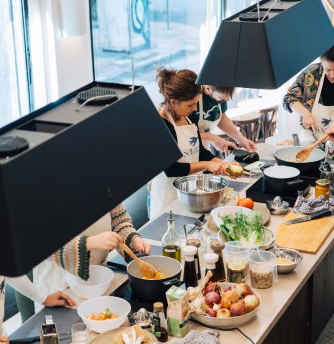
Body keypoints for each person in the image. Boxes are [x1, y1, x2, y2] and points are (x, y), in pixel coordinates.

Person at [8, 203, 150, 322]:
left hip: (98, 283)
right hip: (59, 290)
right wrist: (88, 243)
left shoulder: (104, 175)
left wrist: (132, 240)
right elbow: (38, 244)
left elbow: (119, 220)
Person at [150, 68, 242, 218]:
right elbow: (172, 169)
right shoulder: (162, 124)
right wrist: (207, 165)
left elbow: (200, 151)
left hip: (190, 194)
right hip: (168, 196)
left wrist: (221, 163)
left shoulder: (186, 117)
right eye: (190, 105)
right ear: (174, 102)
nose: (194, 110)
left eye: (195, 104)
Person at [283, 46, 334, 144]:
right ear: (321, 62)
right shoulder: (312, 72)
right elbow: (288, 98)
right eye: (328, 70)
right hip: (309, 141)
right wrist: (305, 113)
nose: (332, 75)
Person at [189, 85, 257, 153]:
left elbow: (221, 118)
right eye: (221, 97)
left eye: (227, 97)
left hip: (204, 147)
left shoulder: (221, 96)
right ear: (207, 88)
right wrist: (213, 138)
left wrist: (241, 139)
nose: (226, 100)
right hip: (187, 148)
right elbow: (184, 132)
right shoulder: (192, 97)